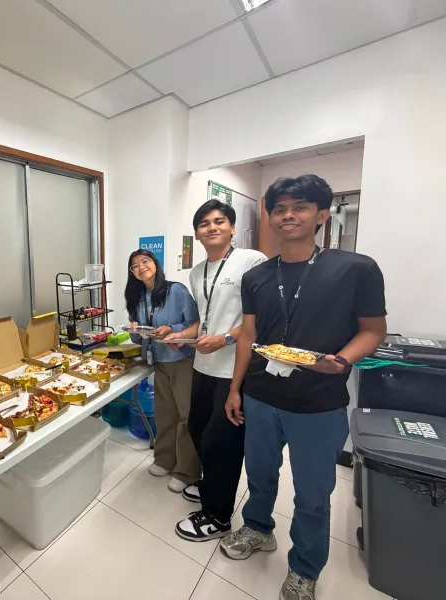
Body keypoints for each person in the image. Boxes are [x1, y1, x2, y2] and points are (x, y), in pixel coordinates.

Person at [220, 175, 386, 600]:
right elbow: (248, 336)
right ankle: (258, 528)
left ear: (322, 215)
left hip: (319, 404)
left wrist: (343, 361)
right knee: (258, 475)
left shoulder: (356, 268)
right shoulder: (257, 276)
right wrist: (235, 389)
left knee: (313, 494)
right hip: (260, 396)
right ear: (271, 219)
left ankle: (305, 568)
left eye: (300, 207)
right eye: (279, 209)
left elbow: (374, 330)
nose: (288, 215)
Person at [174, 200, 266, 542]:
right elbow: (203, 319)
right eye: (204, 223)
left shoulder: (252, 261)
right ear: (197, 234)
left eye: (219, 221)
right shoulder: (196, 272)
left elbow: (259, 321)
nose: (211, 227)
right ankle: (210, 485)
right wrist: (181, 337)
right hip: (203, 365)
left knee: (223, 443)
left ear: (231, 228)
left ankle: (218, 515)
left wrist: (225, 338)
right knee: (198, 429)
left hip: (234, 369)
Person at [126, 249, 201, 493]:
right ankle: (165, 459)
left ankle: (186, 471)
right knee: (165, 414)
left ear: (155, 263)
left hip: (181, 360)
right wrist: (135, 330)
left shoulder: (175, 290)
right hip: (158, 362)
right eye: (135, 265)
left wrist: (172, 328)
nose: (141, 267)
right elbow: (138, 340)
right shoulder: (138, 298)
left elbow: (195, 324)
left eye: (145, 261)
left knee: (186, 417)